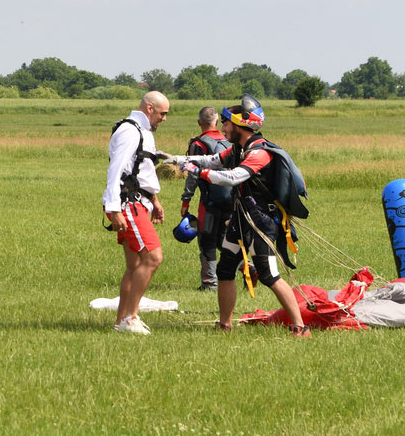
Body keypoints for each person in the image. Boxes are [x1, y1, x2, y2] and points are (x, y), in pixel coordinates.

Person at [164, 96, 311, 337]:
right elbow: (212, 160)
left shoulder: (260, 152)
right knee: (225, 269)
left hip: (261, 221)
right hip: (241, 218)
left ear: (240, 125)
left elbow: (233, 177)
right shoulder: (238, 149)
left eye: (226, 124)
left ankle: (300, 326)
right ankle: (225, 324)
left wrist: (198, 173)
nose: (222, 129)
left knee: (268, 274)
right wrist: (177, 159)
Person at [102, 91, 170, 335]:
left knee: (135, 264)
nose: (164, 119)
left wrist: (155, 200)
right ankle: (131, 318)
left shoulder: (143, 132)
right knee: (153, 258)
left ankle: (121, 322)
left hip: (139, 202)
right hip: (127, 204)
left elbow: (141, 171)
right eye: (162, 113)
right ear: (149, 108)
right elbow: (115, 170)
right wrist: (114, 208)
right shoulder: (130, 131)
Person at [180, 106, 232, 291]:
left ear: (199, 123)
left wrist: (186, 201)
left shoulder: (198, 144)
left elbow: (193, 175)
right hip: (231, 200)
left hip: (209, 202)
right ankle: (247, 267)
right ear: (217, 122)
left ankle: (210, 283)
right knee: (225, 240)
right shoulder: (229, 141)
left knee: (207, 240)